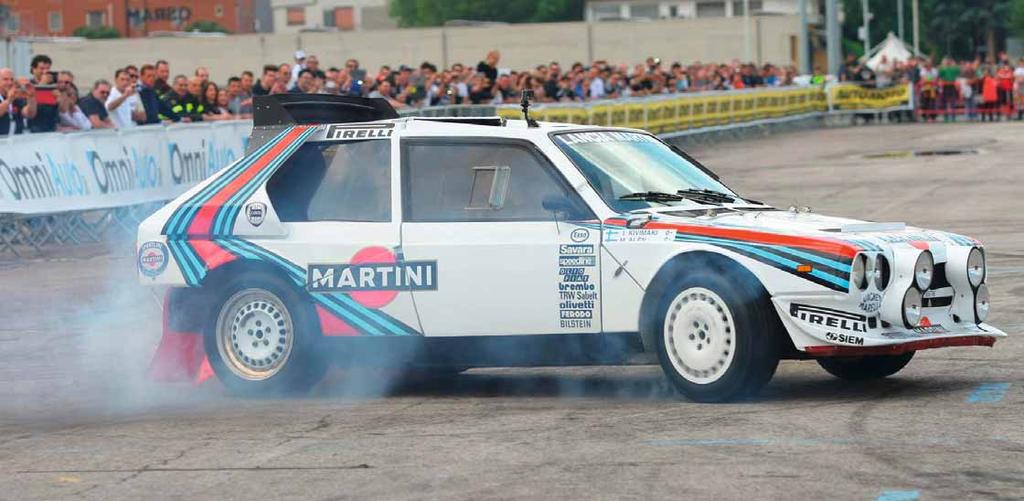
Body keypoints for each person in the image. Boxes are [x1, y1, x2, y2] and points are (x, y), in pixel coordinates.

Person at [0, 68, 37, 135]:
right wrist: (9, 100)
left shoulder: (16, 96)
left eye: (12, 79)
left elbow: (29, 114)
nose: (10, 83)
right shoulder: (12, 97)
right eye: (5, 79)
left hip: (16, 140)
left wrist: (31, 97)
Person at [26, 54, 58, 133]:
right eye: (42, 68)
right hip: (34, 128)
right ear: (33, 69)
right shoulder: (28, 85)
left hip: (52, 127)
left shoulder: (53, 86)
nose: (45, 72)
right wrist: (42, 84)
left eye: (47, 68)